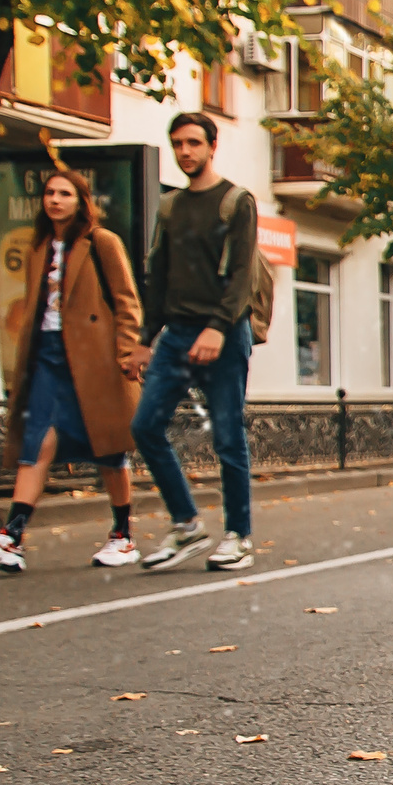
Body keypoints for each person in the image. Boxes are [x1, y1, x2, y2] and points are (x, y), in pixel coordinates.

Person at [0, 169, 143, 572]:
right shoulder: (39, 247)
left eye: (65, 193)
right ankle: (12, 535)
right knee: (37, 442)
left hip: (94, 356)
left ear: (81, 201)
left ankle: (123, 535)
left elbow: (127, 301)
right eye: (49, 193)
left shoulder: (101, 241)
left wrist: (126, 353)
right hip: (46, 355)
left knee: (108, 448)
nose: (55, 200)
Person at [129, 111, 262, 573]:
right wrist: (146, 338)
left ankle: (238, 536)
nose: (185, 152)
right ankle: (186, 524)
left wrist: (218, 328)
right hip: (176, 335)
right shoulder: (170, 207)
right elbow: (158, 275)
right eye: (178, 144)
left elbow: (243, 274)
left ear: (211, 146)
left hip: (223, 333)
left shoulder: (236, 202)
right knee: (145, 426)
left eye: (193, 143)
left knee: (227, 438)